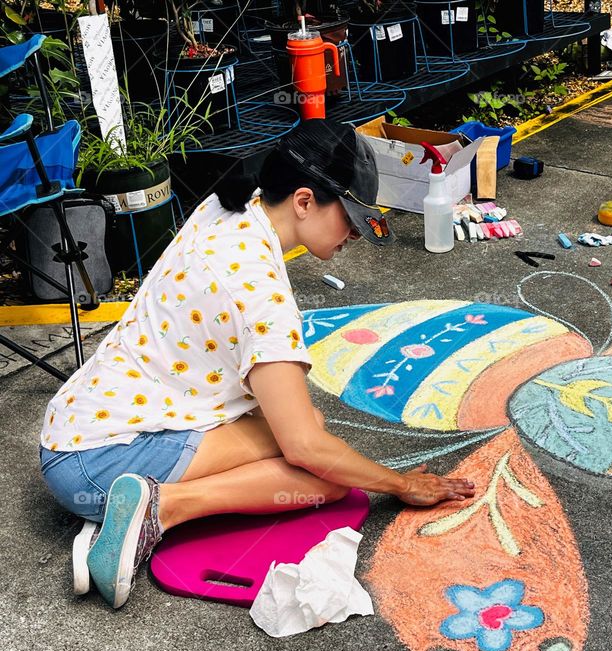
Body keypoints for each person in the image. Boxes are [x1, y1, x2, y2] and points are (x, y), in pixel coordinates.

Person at [38, 120, 476, 609]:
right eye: (350, 217)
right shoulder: (262, 301)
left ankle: (116, 514)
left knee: (308, 425)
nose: (355, 233)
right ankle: (158, 509)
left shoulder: (232, 206)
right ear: (304, 201)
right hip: (96, 461)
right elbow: (306, 448)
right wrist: (400, 484)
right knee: (328, 478)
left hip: (77, 429)